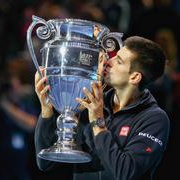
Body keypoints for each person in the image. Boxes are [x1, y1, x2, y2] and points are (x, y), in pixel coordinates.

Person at [34, 36, 171, 180]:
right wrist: (47, 110)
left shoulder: (154, 119)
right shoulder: (91, 103)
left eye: (118, 61)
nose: (108, 62)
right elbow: (46, 163)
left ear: (134, 77)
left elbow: (126, 172)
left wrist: (98, 122)